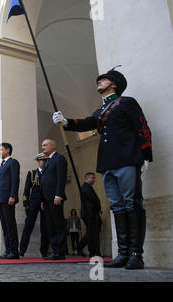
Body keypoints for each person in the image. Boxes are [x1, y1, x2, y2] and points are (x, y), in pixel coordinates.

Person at [53, 67, 152, 269]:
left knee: (132, 204)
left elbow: (142, 128)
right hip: (108, 164)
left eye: (103, 80)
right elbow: (88, 122)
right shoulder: (100, 111)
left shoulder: (127, 103)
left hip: (127, 160)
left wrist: (145, 156)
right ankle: (123, 253)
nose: (99, 82)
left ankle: (136, 254)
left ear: (114, 84)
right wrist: (66, 122)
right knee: (117, 206)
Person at [40, 139, 68, 260]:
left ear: (53, 146)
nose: (43, 147)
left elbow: (61, 178)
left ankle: (60, 252)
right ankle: (55, 250)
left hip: (55, 197)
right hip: (46, 199)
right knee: (50, 225)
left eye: (45, 145)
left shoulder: (59, 158)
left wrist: (58, 195)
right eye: (42, 145)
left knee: (58, 225)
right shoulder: (48, 161)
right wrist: (42, 200)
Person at [19, 153, 50, 258]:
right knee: (28, 227)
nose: (44, 163)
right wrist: (25, 203)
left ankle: (44, 251)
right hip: (33, 202)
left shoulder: (49, 173)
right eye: (42, 161)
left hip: (45, 203)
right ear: (38, 161)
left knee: (45, 228)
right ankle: (22, 251)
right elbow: (27, 189)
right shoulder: (32, 173)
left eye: (46, 161)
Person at [0, 143, 20, 259]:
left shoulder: (13, 162)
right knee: (5, 226)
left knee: (10, 225)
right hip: (1, 199)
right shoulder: (2, 164)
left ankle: (14, 251)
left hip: (8, 198)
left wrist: (13, 196)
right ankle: (8, 250)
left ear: (8, 150)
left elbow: (15, 180)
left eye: (1, 150)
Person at [77, 172, 102, 257]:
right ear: (87, 178)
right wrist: (97, 208)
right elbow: (92, 200)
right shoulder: (86, 187)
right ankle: (83, 248)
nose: (94, 180)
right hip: (89, 214)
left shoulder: (87, 187)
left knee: (91, 233)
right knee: (91, 233)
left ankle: (91, 251)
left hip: (91, 213)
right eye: (92, 178)